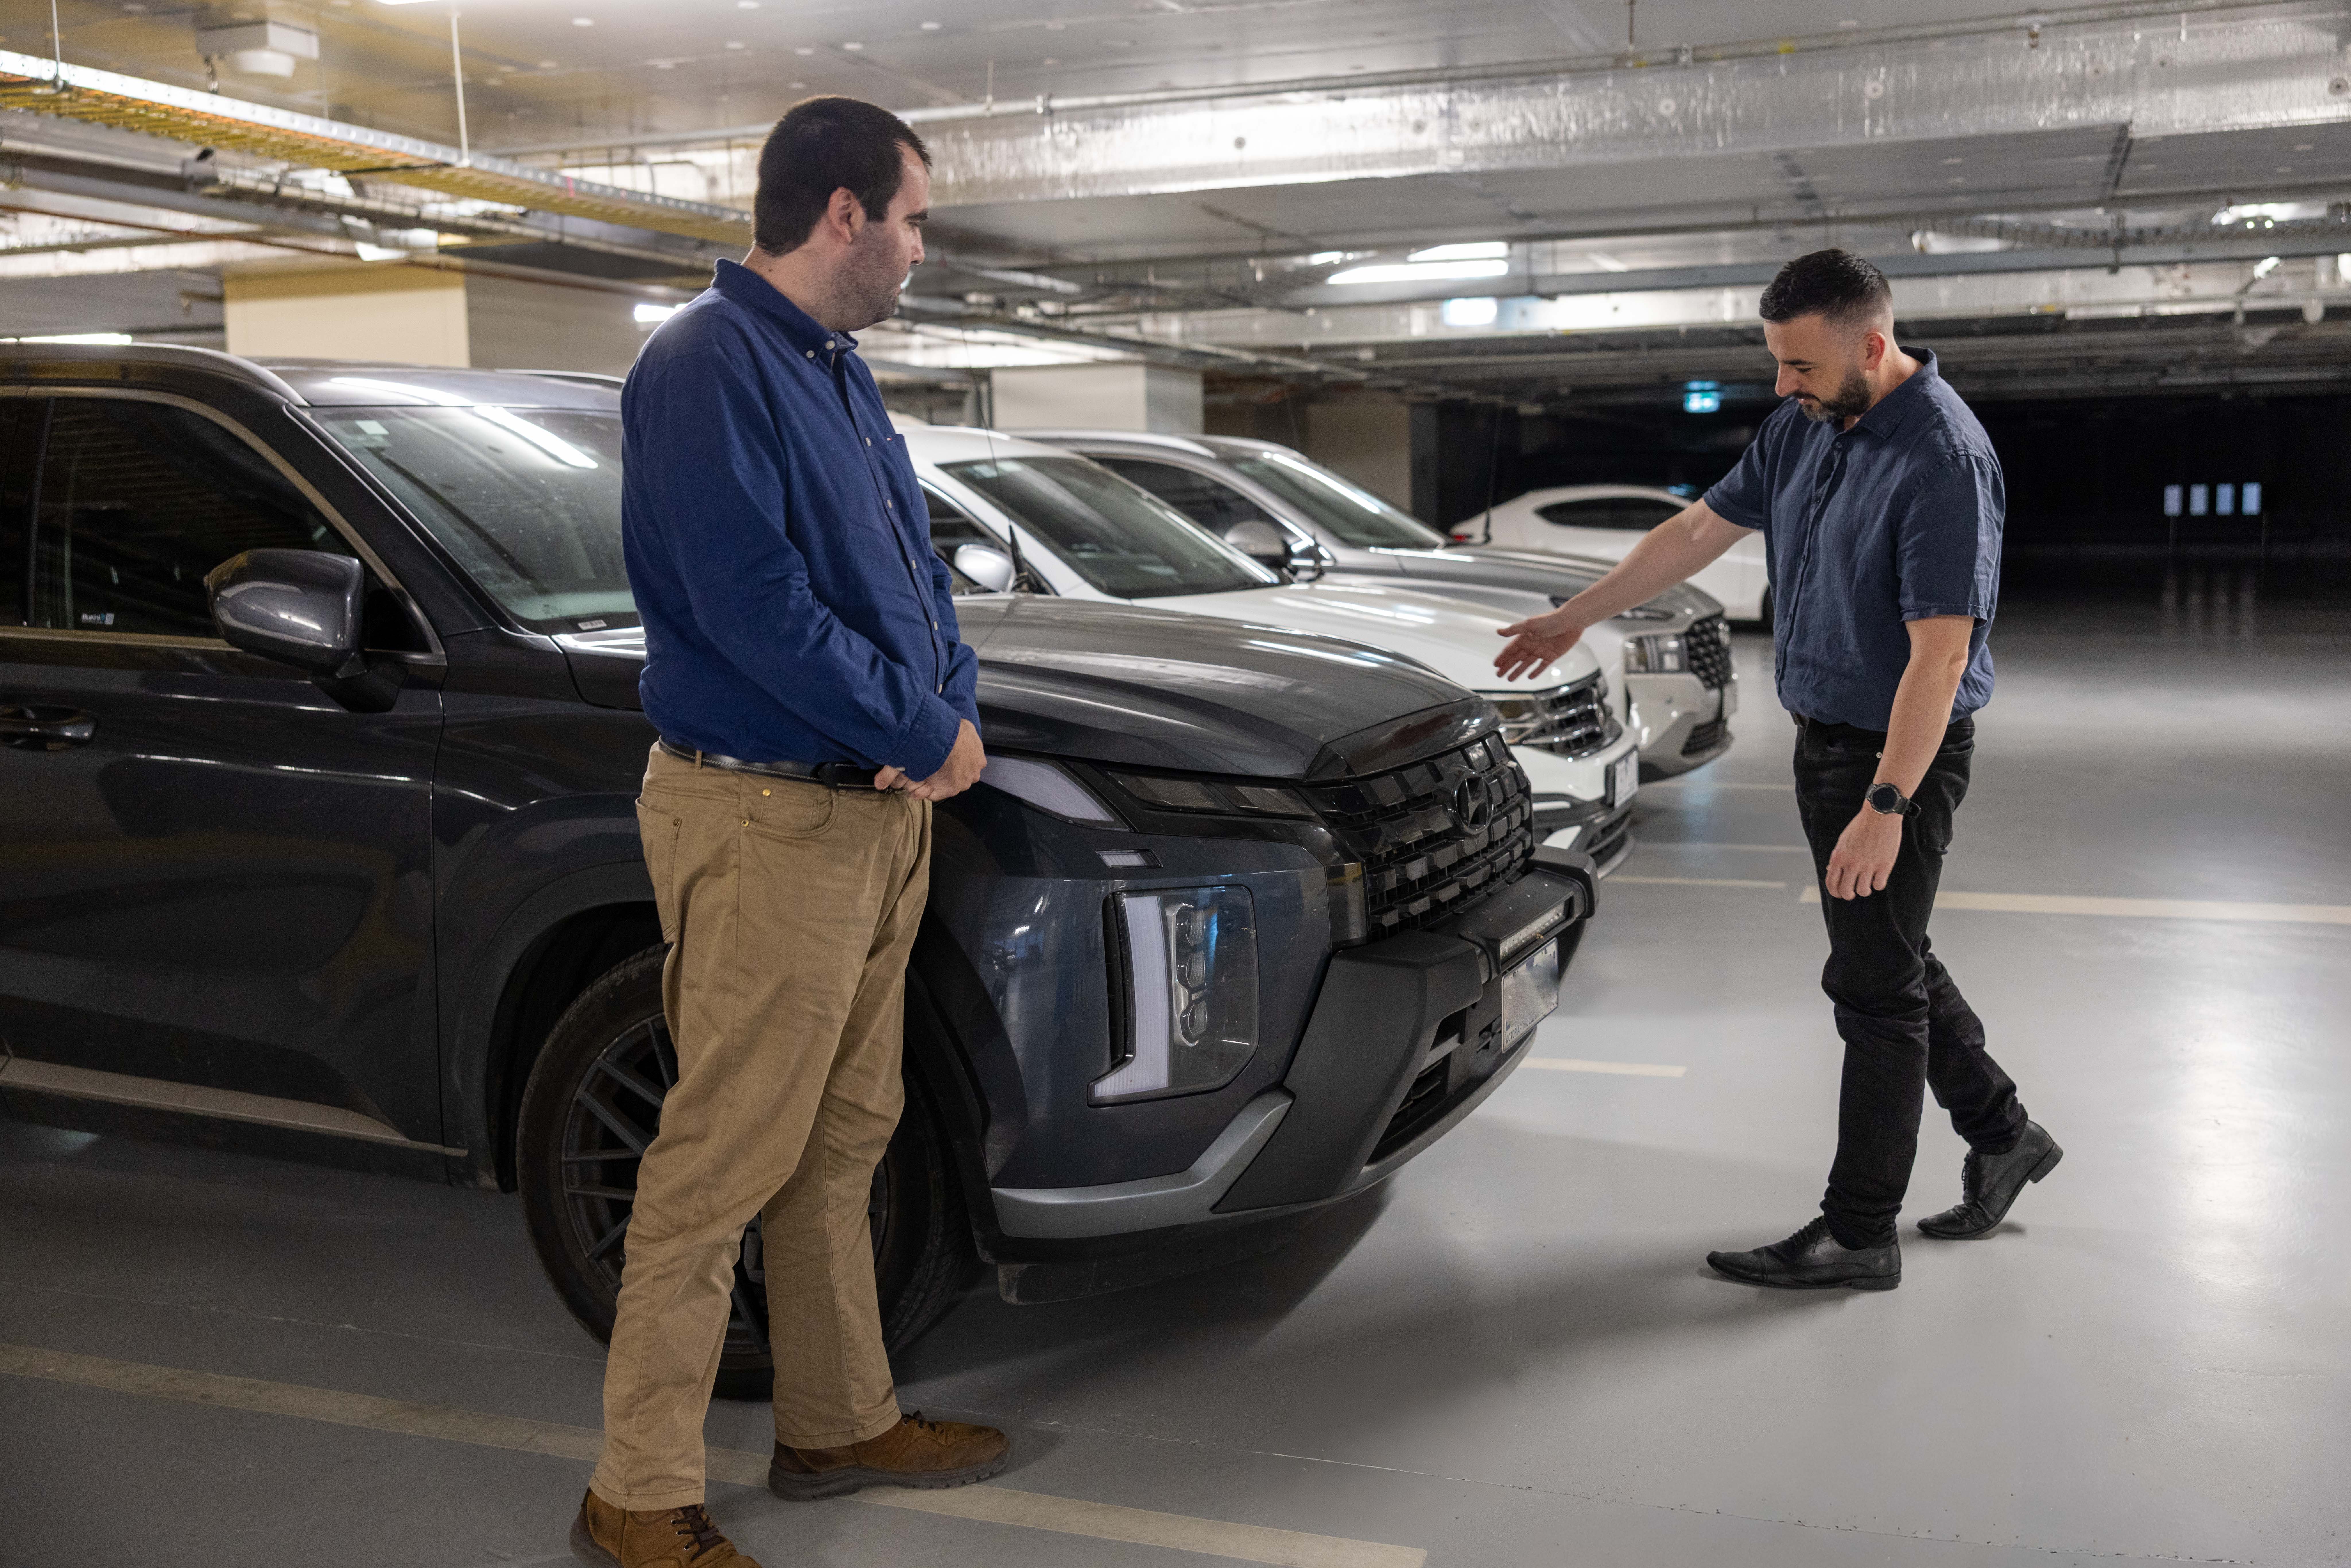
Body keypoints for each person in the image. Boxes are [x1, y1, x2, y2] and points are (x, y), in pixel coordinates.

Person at [570, 96, 1007, 1568]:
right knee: (718, 1160)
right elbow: (754, 605)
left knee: (840, 1142)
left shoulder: (833, 369)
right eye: (913, 220)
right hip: (763, 815)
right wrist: (921, 732)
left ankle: (837, 1418)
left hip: (869, 811)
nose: (917, 249)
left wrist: (936, 715)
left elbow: (909, 577)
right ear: (842, 214)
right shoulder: (704, 368)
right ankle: (636, 1490)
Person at [1492, 248, 2061, 1293]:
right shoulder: (1806, 427)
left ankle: (1861, 1232)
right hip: (1826, 742)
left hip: (1898, 755)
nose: (1782, 386)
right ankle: (2005, 1134)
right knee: (1891, 953)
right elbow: (1700, 529)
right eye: (1777, 364)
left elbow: (1938, 656)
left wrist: (1888, 803)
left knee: (1875, 992)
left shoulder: (1944, 457)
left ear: (1872, 345)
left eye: (1800, 365)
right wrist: (1575, 616)